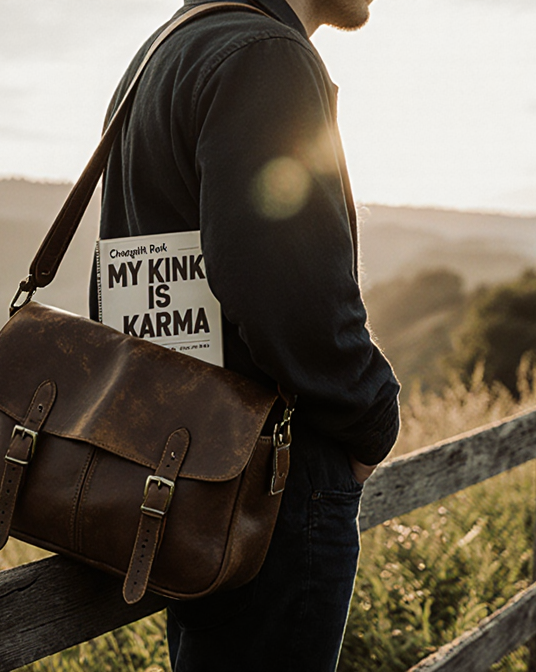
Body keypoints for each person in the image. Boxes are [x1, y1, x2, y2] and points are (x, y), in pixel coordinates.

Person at [90, 0, 400, 669]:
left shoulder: (171, 46)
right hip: (271, 476)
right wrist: (371, 420)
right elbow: (287, 285)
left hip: (180, 456)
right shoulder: (266, 55)